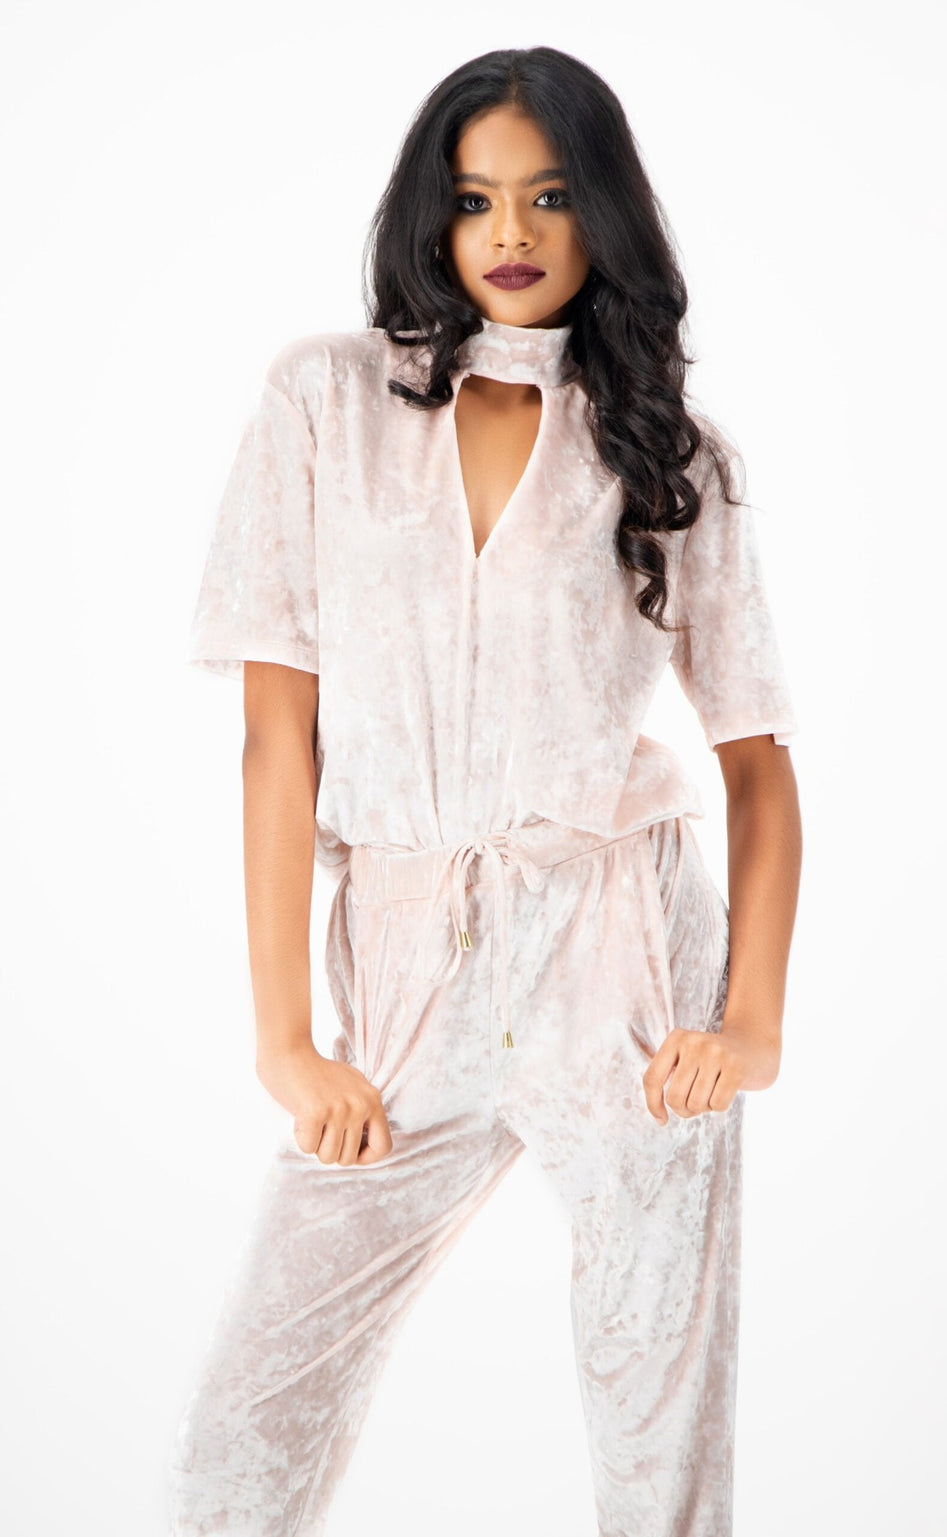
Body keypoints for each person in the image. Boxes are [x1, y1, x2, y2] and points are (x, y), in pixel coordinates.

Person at [166, 43, 802, 1537]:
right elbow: (276, 741)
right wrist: (287, 1042)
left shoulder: (671, 455)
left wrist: (751, 1022)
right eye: (473, 199)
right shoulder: (323, 402)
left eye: (549, 195)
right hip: (405, 968)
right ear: (432, 217)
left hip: (626, 962)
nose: (509, 232)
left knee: (659, 1428)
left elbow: (757, 762)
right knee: (246, 1428)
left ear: (605, 213)